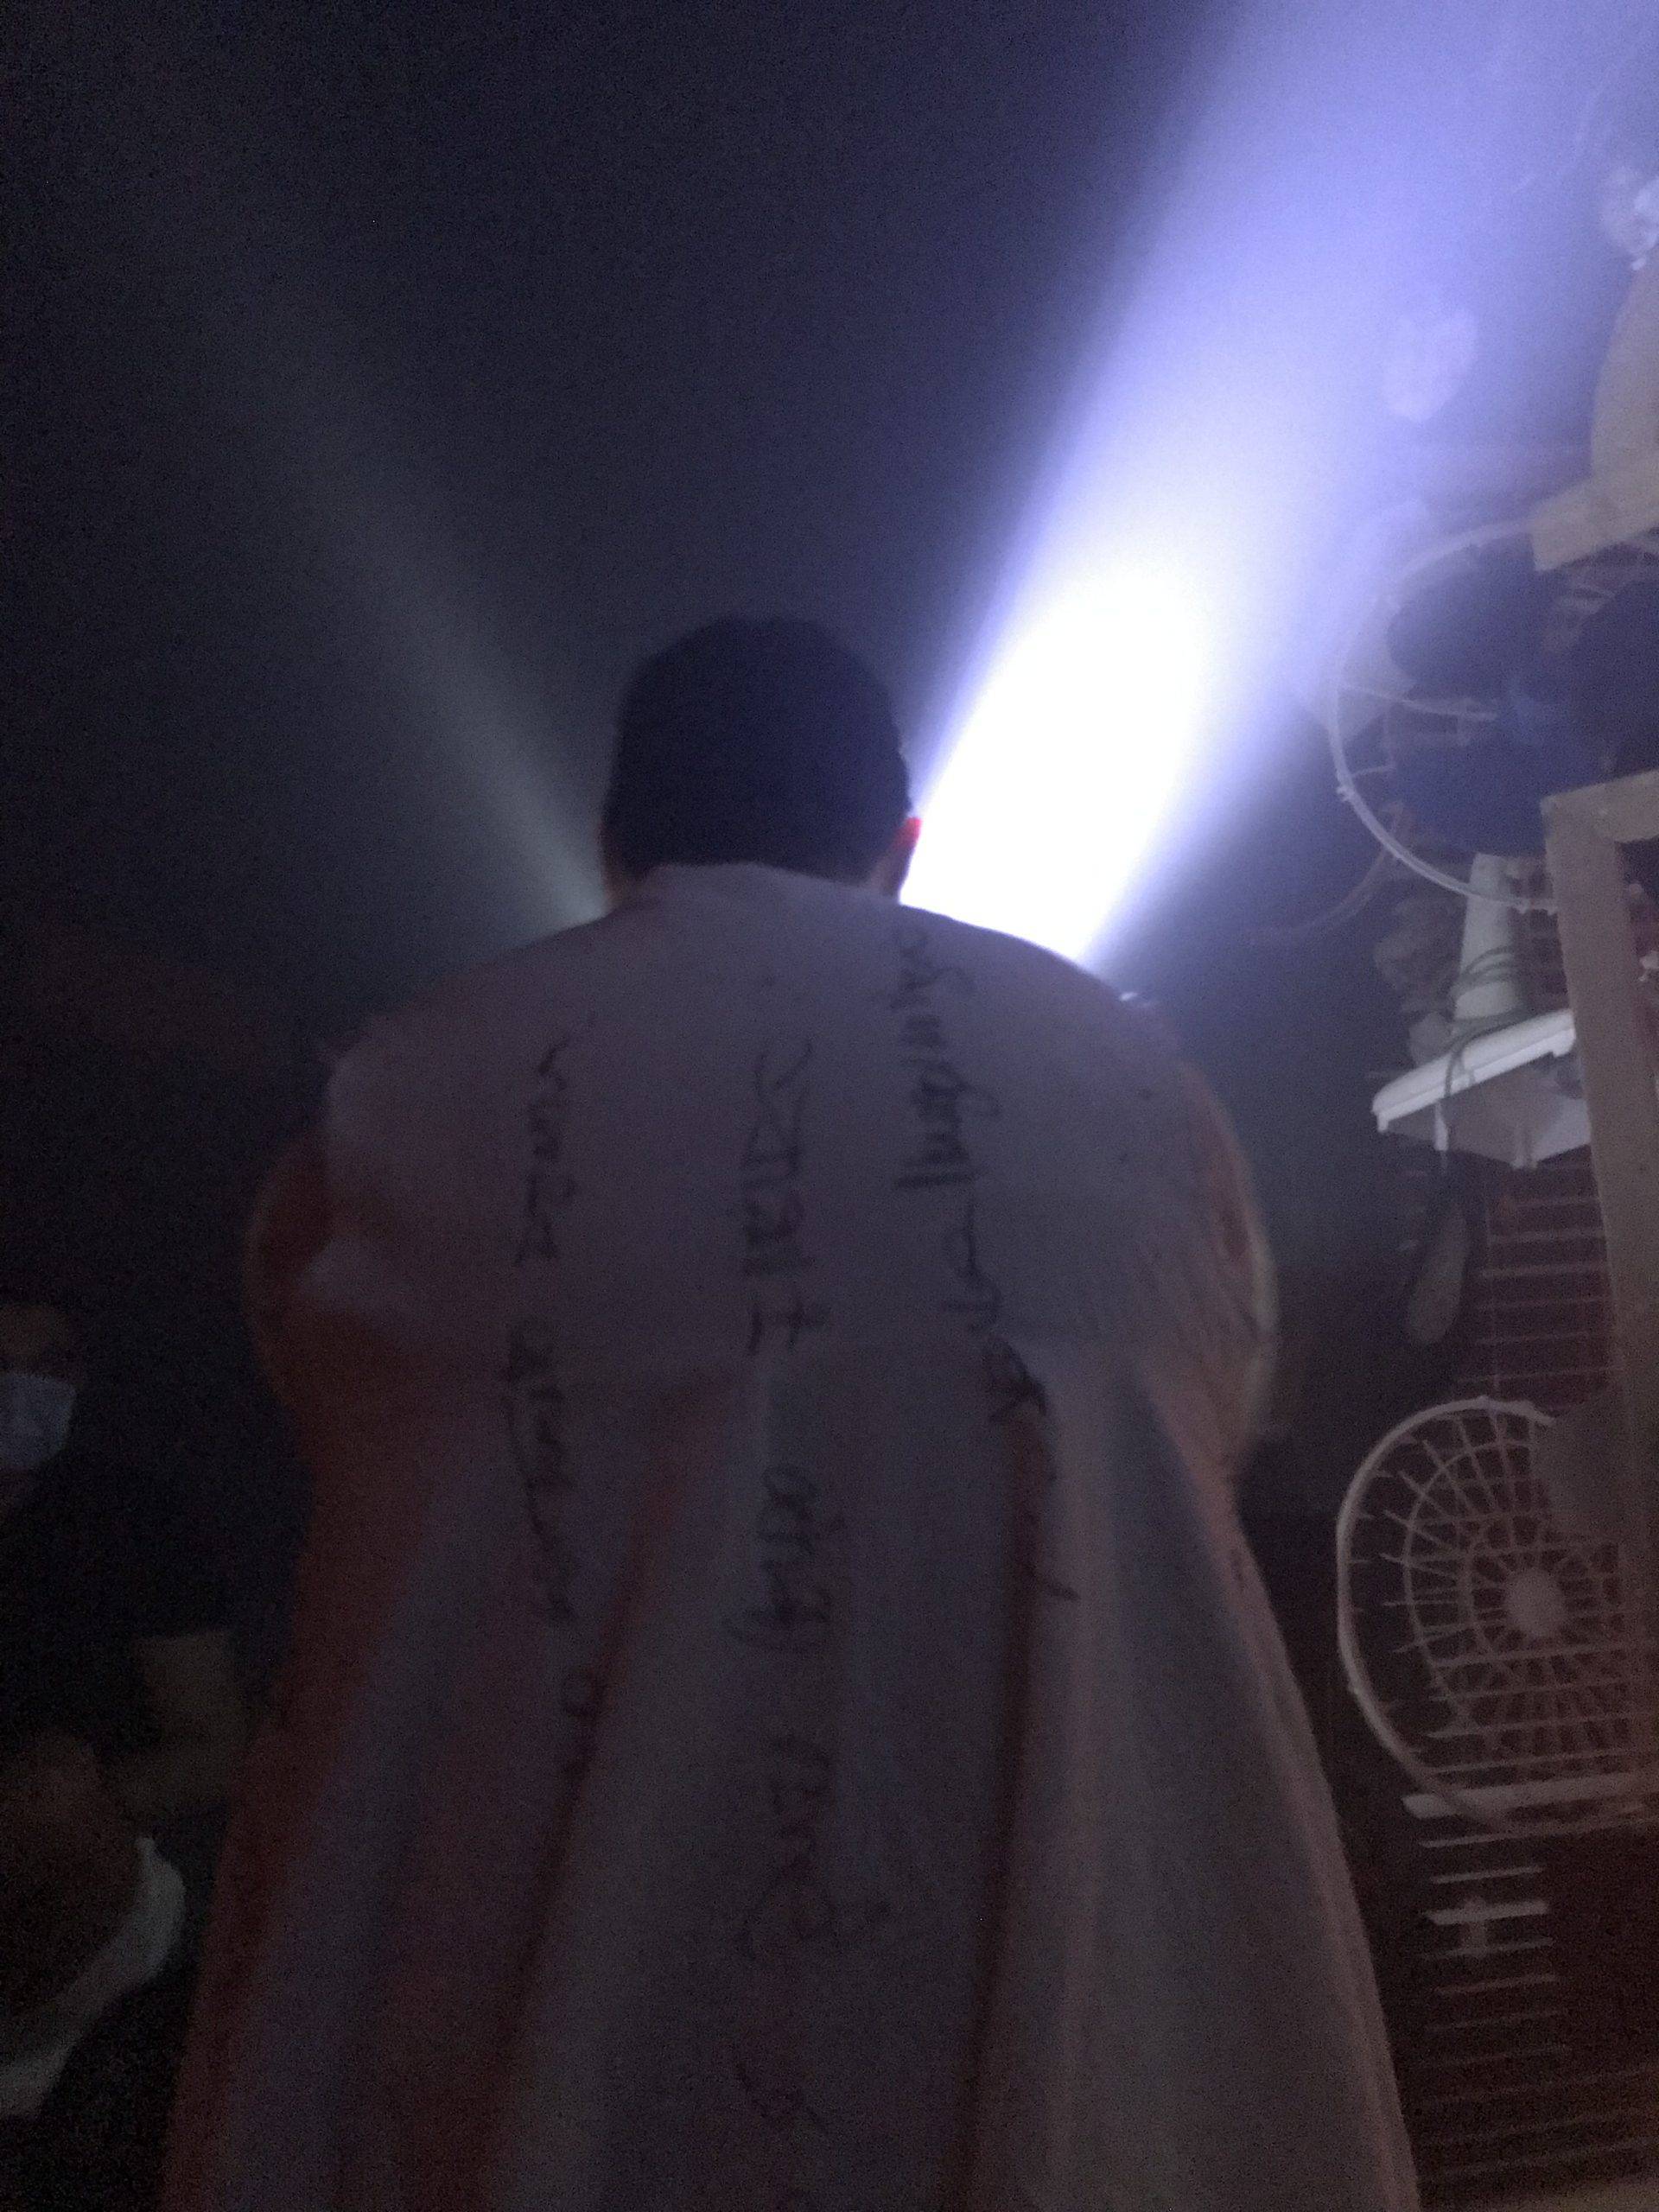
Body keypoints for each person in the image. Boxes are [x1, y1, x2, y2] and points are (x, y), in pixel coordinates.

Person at [168, 619, 1419, 2212]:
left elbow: (336, 1450)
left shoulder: (389, 1101)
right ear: (905, 841)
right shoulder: (1141, 1086)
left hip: (506, 2049)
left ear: (613, 844)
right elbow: (1213, 1438)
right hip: (1083, 2030)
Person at [0, 1289, 247, 2146]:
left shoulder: (132, 1524)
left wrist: (53, 1810)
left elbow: (216, 1745)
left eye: (47, 1366)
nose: (20, 1387)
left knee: (51, 1783)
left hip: (90, 1876)